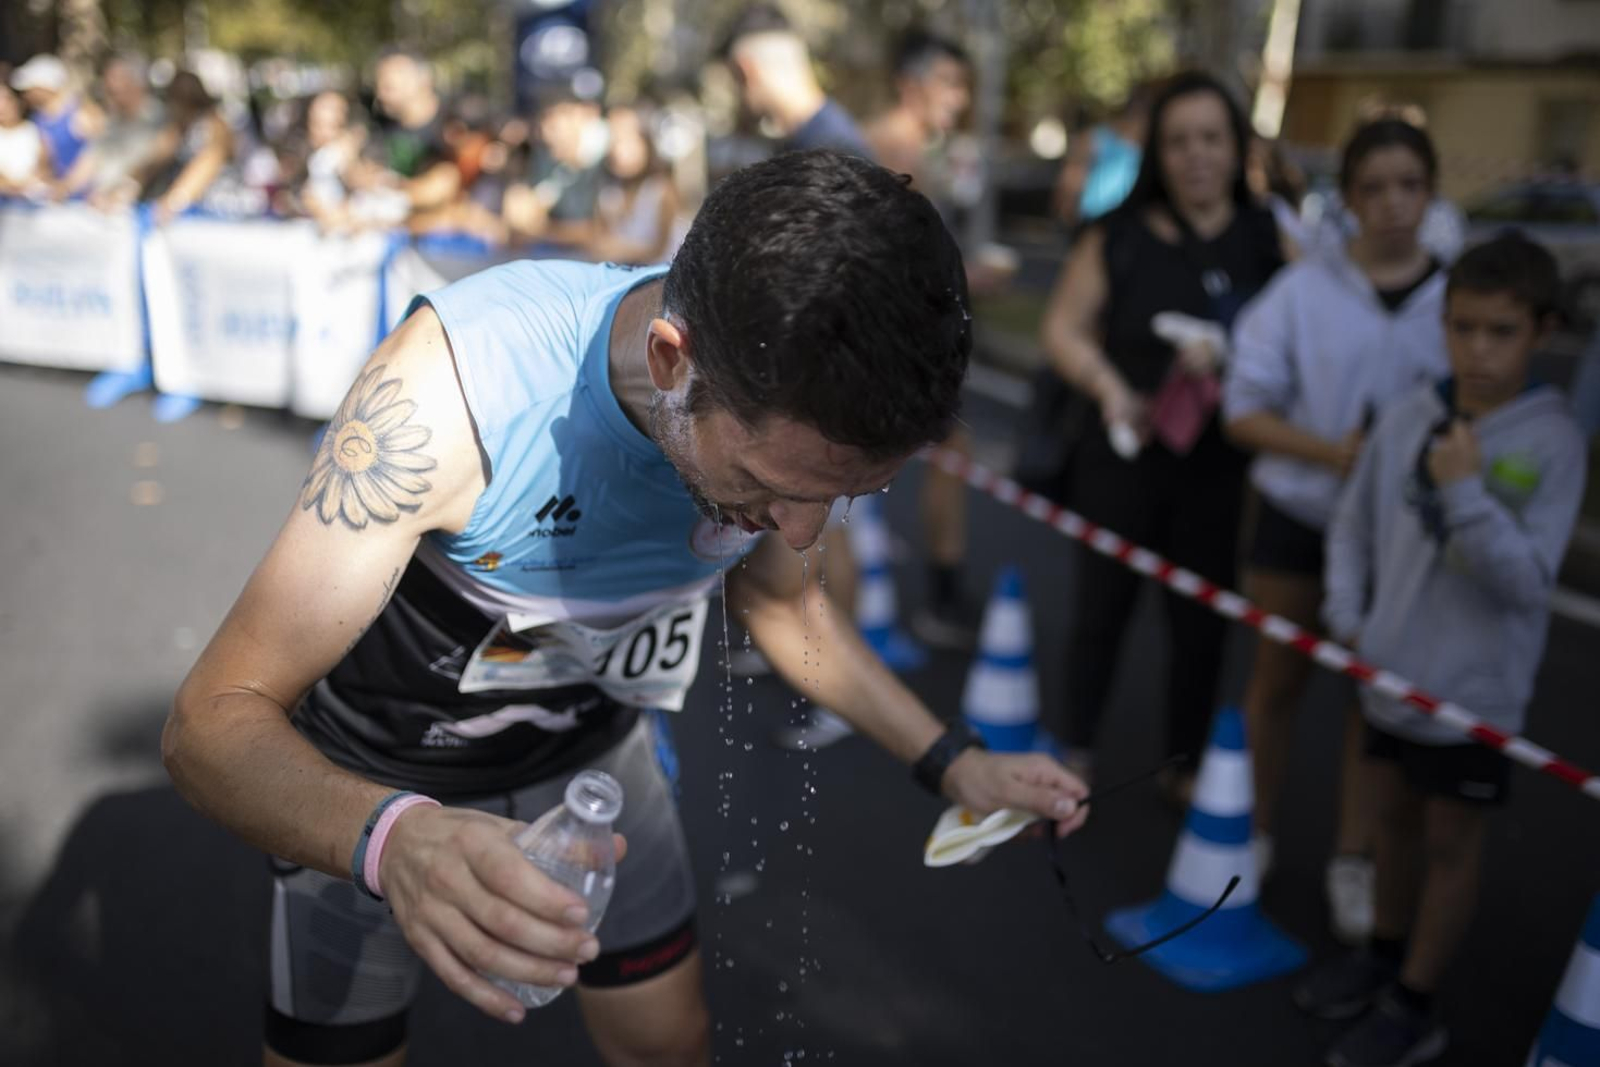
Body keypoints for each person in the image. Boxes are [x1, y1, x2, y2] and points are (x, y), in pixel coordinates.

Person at [162, 149, 1090, 1067]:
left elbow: (784, 607)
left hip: (592, 766)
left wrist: (954, 761)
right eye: (766, 489)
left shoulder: (774, 396)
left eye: (849, 497)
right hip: (372, 774)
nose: (802, 535)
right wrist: (395, 838)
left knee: (668, 1047)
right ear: (669, 359)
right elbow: (210, 723)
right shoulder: (456, 393)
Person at [1294, 233, 1586, 1067]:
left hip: (1475, 698)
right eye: (1463, 328)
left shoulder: (1552, 443)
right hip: (1388, 672)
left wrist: (1463, 491)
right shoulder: (1415, 411)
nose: (1478, 350)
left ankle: (1417, 1002)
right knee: (1390, 823)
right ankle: (1381, 958)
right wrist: (1350, 613)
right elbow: (1355, 520)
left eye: (1501, 331)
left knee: (1451, 846)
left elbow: (1528, 580)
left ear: (1542, 330)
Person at [1225, 118, 1451, 943]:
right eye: (1374, 188)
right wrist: (1333, 454)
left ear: (1431, 193)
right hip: (1301, 515)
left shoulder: (1457, 302)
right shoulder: (1303, 292)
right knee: (1276, 681)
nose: (1393, 204)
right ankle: (1246, 831)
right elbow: (1242, 410)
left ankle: (1352, 858)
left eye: (1410, 185)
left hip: (1401, 538)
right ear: (1348, 201)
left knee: (1372, 699)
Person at [1038, 71, 1287, 795]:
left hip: (1218, 465)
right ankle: (1075, 749)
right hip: (1123, 453)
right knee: (1101, 610)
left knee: (1202, 625)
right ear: (1157, 153)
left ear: (1237, 146)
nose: (1196, 155)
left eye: (1211, 138)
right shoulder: (1117, 233)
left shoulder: (1270, 236)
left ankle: (1184, 766)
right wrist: (1112, 388)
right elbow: (1062, 328)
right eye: (1178, 141)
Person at [865, 28, 986, 651]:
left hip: (902, 332)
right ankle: (937, 597)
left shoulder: (916, 144)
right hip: (892, 336)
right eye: (949, 83)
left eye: (964, 85)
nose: (960, 98)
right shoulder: (895, 143)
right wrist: (967, 273)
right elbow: (891, 253)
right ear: (912, 84)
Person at [55, 53, 165, 208]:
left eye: (117, 79)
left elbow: (153, 164)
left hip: (141, 210)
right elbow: (90, 160)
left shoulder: (158, 117)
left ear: (136, 83)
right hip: (101, 208)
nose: (109, 86)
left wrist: (120, 193)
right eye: (108, 79)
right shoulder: (111, 120)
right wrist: (64, 187)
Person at [131, 70, 235, 223]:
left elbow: (211, 160)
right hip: (184, 209)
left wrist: (174, 201)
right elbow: (153, 161)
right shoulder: (178, 128)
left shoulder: (214, 124)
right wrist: (128, 187)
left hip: (219, 209)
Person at [587, 103, 682, 266]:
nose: (618, 150)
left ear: (646, 142)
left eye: (627, 140)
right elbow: (598, 242)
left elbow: (661, 249)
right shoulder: (608, 192)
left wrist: (622, 250)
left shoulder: (661, 190)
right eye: (613, 139)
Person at [1051, 83, 1153, 231]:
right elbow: (1072, 177)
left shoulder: (1152, 146)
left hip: (1129, 223)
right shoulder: (1097, 138)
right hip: (1095, 221)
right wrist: (1067, 210)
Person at [10, 54, 100, 183]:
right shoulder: (37, 118)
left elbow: (97, 156)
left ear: (44, 87)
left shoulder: (81, 112)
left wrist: (67, 186)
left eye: (30, 88)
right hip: (50, 198)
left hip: (81, 199)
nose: (26, 94)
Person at [0, 81, 51, 198]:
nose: (2, 106)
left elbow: (45, 166)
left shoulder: (34, 131)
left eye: (6, 100)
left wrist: (30, 182)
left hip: (32, 195)